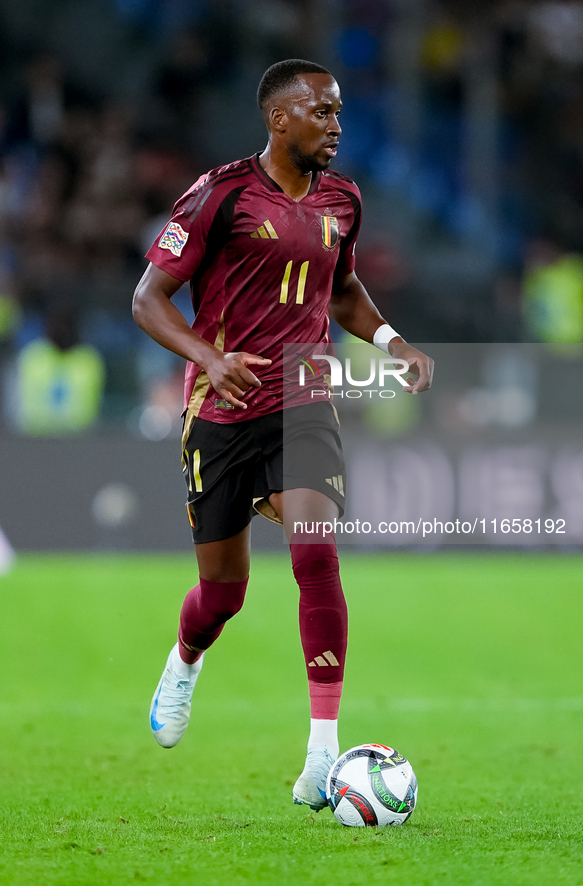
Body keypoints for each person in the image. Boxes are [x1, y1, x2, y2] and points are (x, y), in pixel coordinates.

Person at [132, 59, 434, 811]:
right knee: (221, 594)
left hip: (303, 399)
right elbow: (147, 299)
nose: (335, 125)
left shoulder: (344, 199)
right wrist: (208, 356)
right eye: (321, 112)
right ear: (279, 119)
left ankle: (320, 756)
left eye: (337, 113)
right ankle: (185, 662)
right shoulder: (220, 194)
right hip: (220, 410)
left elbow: (343, 290)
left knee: (314, 550)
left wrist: (392, 342)